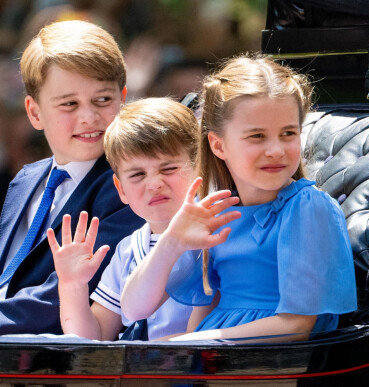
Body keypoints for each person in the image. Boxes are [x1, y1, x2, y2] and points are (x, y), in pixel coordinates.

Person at [0, 20, 143, 335]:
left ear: (123, 98)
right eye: (69, 103)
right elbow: (13, 288)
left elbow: (64, 296)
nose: (89, 116)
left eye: (103, 100)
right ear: (35, 113)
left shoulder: (127, 184)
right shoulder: (26, 181)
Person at [121, 53, 358, 342]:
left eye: (288, 133)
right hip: (213, 355)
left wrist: (184, 343)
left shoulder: (307, 208)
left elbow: (296, 326)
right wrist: (172, 240)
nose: (276, 150)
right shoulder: (216, 211)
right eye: (257, 136)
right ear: (219, 145)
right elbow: (135, 309)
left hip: (267, 360)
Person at [49, 97, 236, 341]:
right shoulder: (128, 251)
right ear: (121, 189)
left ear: (199, 166)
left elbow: (201, 336)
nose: (154, 184)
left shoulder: (220, 231)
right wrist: (72, 284)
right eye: (137, 174)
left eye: (168, 169)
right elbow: (95, 338)